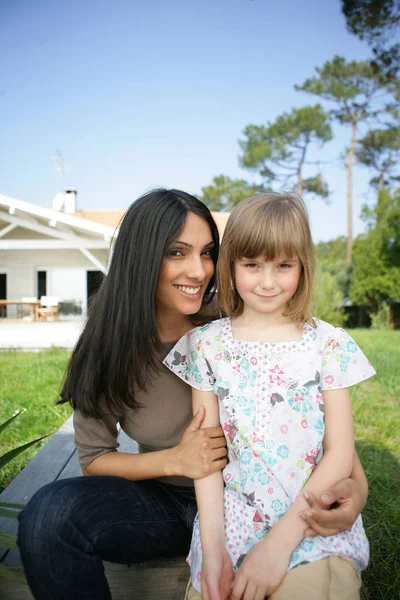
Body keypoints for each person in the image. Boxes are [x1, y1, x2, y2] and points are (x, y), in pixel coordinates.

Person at [17, 189, 369, 600]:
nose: (199, 271)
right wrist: (175, 460)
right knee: (48, 516)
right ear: (143, 256)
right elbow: (94, 458)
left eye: (207, 253)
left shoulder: (240, 315)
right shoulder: (110, 343)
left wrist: (357, 490)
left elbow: (314, 426)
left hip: (256, 497)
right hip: (169, 502)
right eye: (177, 253)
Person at [164, 192, 375, 600]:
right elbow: (207, 458)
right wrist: (212, 547)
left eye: (283, 265)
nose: (267, 281)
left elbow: (340, 451)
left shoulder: (328, 343)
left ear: (303, 266)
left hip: (309, 520)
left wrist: (278, 547)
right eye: (252, 264)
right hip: (233, 522)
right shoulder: (205, 346)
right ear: (231, 265)